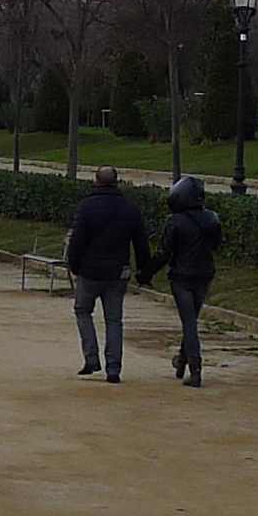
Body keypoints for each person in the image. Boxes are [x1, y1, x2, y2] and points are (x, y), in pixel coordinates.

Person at [61, 164, 158, 383]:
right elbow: (141, 244)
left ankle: (91, 357)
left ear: (96, 181)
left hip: (89, 271)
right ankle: (113, 368)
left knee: (82, 311)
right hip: (118, 271)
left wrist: (73, 265)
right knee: (114, 320)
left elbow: (77, 240)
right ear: (117, 182)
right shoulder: (129, 208)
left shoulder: (86, 207)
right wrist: (144, 271)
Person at [156, 173, 225, 387]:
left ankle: (195, 368)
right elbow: (217, 244)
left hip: (181, 276)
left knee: (189, 322)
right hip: (204, 274)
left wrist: (147, 272)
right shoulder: (212, 218)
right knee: (191, 319)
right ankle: (182, 360)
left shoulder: (174, 221)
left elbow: (165, 251)